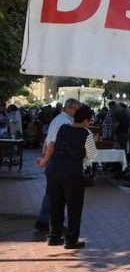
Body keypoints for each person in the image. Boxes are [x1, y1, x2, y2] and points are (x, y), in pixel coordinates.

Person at [36, 104, 97, 249]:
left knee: (56, 205)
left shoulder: (63, 128)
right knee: (74, 208)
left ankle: (54, 236)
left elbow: (52, 144)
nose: (90, 123)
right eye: (90, 120)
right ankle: (71, 240)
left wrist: (45, 160)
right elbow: (92, 156)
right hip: (73, 174)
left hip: (54, 171)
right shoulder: (87, 134)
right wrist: (94, 141)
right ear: (85, 120)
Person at [35, 99, 80, 231]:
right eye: (77, 110)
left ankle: (44, 221)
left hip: (55, 160)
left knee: (52, 193)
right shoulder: (63, 122)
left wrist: (45, 157)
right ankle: (47, 222)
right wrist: (46, 159)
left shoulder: (60, 119)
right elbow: (52, 143)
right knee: (55, 194)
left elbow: (48, 141)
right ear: (70, 108)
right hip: (58, 161)